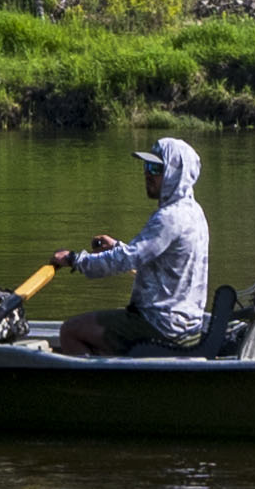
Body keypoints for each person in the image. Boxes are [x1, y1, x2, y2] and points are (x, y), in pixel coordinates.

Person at [48, 137, 210, 359]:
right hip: (183, 322)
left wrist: (75, 260)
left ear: (176, 172)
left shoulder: (170, 217)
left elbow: (128, 259)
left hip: (162, 324)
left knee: (70, 332)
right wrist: (116, 246)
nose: (147, 173)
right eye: (146, 165)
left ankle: (94, 391)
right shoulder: (194, 212)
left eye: (156, 167)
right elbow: (152, 256)